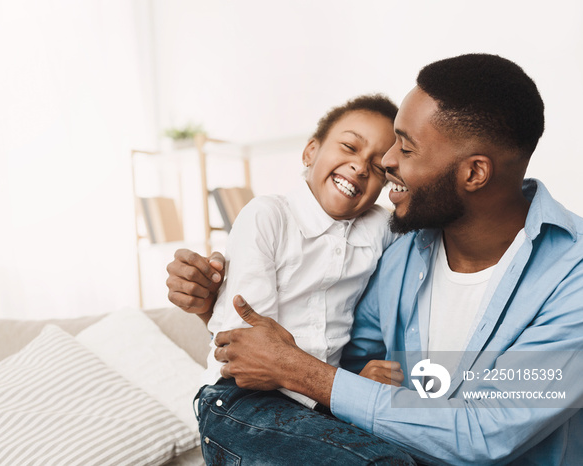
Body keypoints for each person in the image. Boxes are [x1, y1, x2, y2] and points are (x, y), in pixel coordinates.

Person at [166, 53, 583, 465]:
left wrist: (305, 374)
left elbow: (485, 433)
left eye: (406, 147)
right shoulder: (399, 250)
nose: (386, 162)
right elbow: (331, 356)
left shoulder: (571, 275)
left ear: (474, 173)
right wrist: (214, 308)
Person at [202, 95, 402, 411]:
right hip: (242, 397)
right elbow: (251, 349)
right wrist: (342, 388)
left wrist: (348, 386)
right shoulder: (268, 216)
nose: (360, 166)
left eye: (378, 167)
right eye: (350, 147)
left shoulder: (380, 227)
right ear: (310, 152)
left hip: (321, 401)